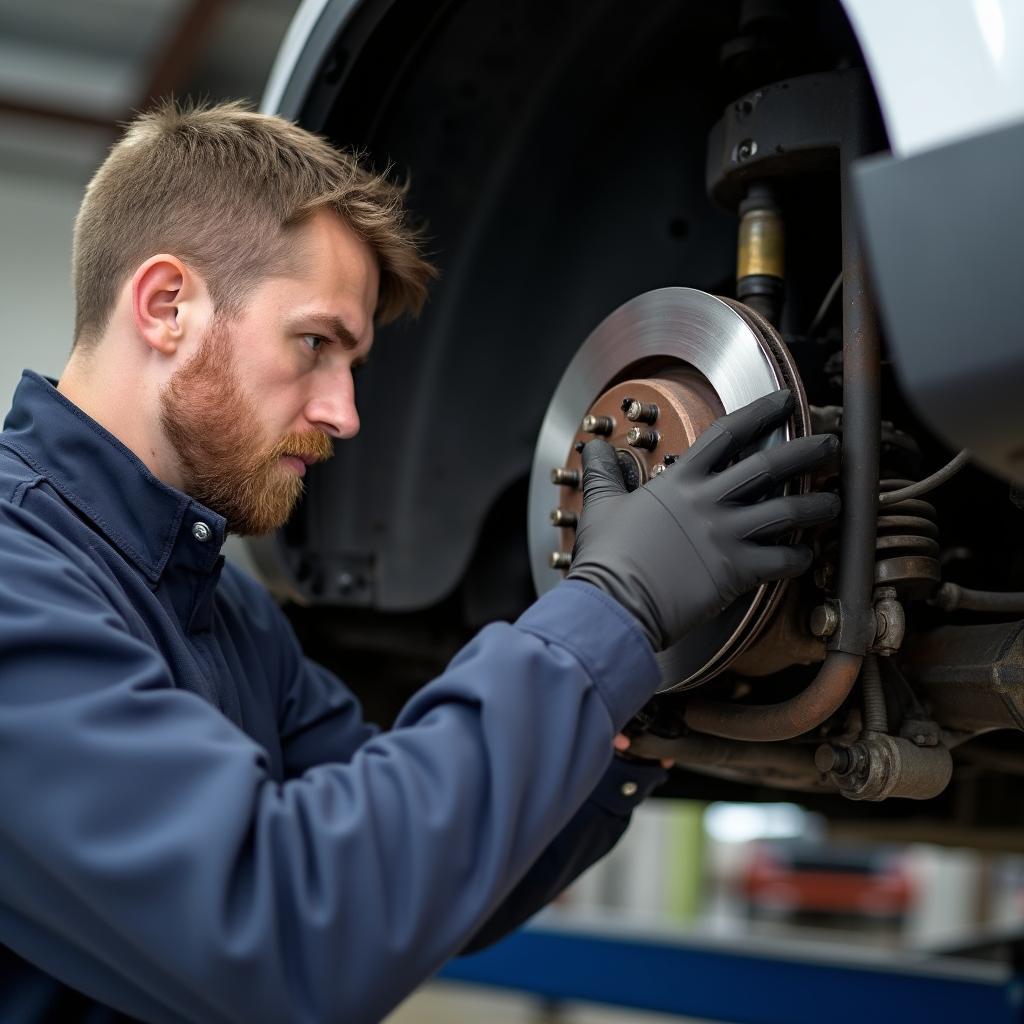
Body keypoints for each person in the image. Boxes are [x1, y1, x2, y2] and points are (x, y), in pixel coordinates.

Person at [0, 101, 840, 1024]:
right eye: (315, 344)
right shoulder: (16, 577)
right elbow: (294, 930)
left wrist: (639, 693)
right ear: (167, 305)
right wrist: (614, 606)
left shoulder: (224, 614)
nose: (345, 413)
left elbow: (413, 881)